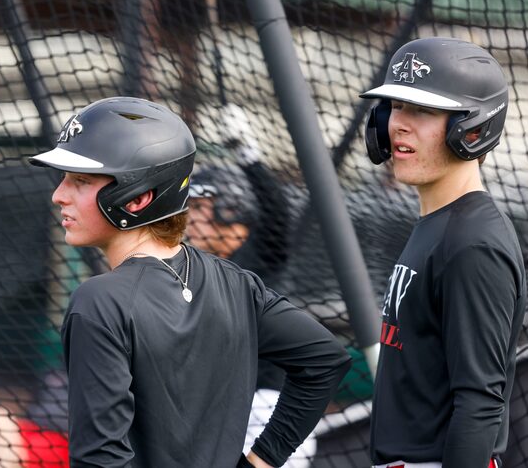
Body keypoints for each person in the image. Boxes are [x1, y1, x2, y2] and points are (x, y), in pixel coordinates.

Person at [29, 96, 351, 468]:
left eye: (79, 181)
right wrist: (260, 461)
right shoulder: (237, 283)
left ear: (137, 198)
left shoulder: (99, 301)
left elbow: (100, 459)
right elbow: (325, 359)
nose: (58, 195)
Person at [361, 37, 525, 468]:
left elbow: (480, 404)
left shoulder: (473, 244)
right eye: (395, 106)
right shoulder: (440, 225)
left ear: (472, 128)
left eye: (424, 110)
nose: (398, 124)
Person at [187, 166, 314, 468]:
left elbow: (277, 215)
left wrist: (252, 162)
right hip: (217, 408)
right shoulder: (193, 267)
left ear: (230, 210)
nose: (190, 219)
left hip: (269, 407)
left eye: (199, 208)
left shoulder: (259, 256)